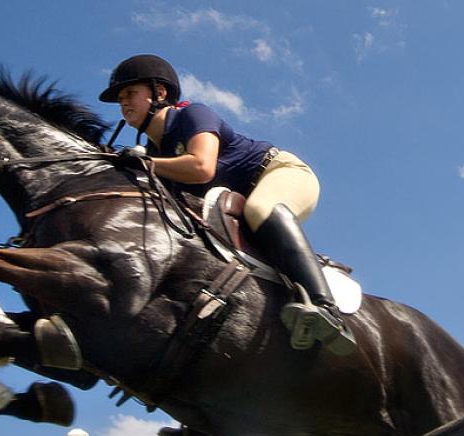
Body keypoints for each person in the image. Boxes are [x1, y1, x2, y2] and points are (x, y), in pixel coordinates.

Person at [100, 54, 355, 354]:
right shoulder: (159, 150)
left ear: (160, 93)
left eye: (130, 93)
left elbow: (201, 167)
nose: (123, 103)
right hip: (235, 200)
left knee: (259, 209)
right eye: (120, 99)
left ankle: (325, 307)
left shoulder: (191, 115)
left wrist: (146, 162)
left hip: (280, 171)